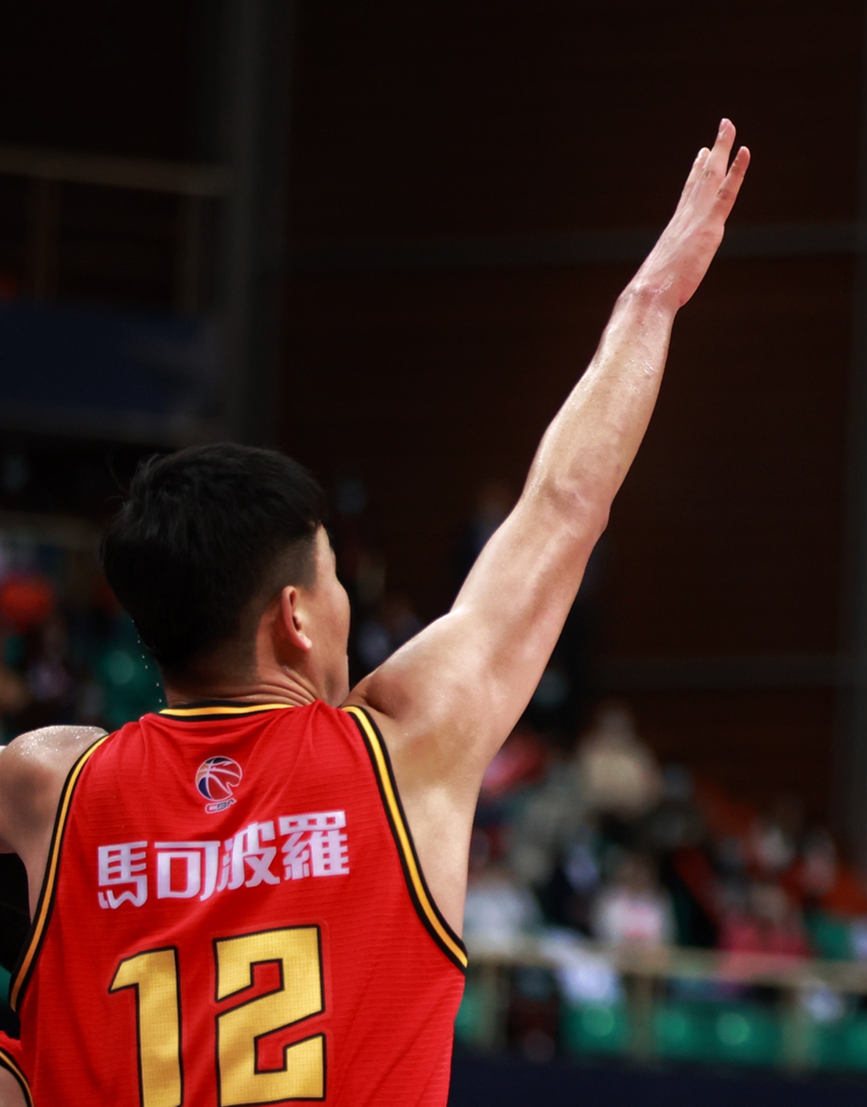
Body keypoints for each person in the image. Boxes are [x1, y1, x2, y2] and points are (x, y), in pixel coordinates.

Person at [0, 120, 749, 1106]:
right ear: (297, 618)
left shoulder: (46, 788)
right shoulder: (402, 755)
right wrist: (651, 299)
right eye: (334, 578)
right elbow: (565, 508)